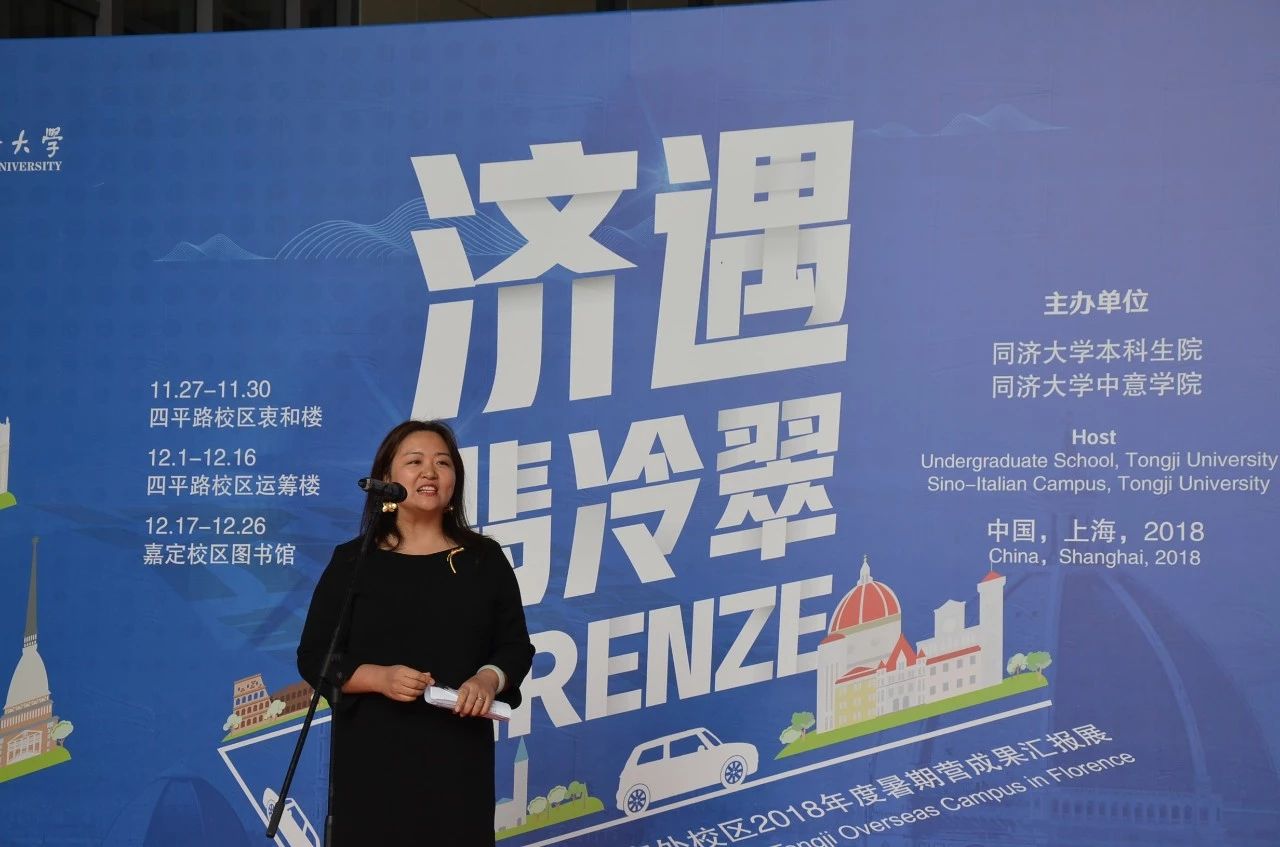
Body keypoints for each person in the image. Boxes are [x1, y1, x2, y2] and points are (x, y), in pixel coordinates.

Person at [297, 420, 535, 846]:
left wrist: (487, 679)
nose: (430, 472)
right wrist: (379, 678)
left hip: (458, 759)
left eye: (442, 463)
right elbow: (315, 655)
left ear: (455, 480)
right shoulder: (353, 561)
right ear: (386, 479)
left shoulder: (483, 559)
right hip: (372, 759)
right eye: (415, 462)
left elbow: (515, 646)